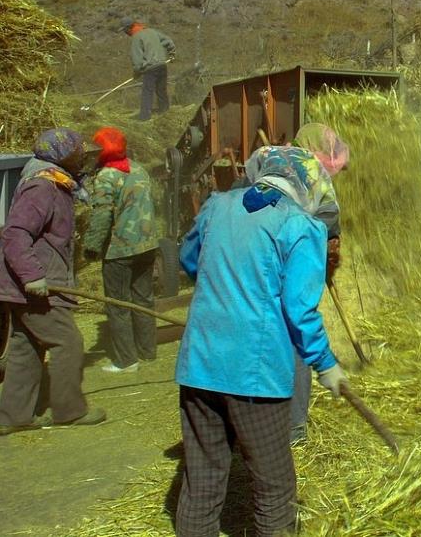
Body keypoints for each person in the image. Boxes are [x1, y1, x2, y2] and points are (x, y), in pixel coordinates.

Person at [175, 145, 347, 536]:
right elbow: (299, 311)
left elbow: (190, 261)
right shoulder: (303, 227)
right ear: (308, 184)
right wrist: (326, 364)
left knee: (201, 481)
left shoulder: (217, 206)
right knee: (274, 487)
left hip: (199, 366)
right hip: (256, 377)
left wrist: (226, 285)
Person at [0, 128, 106, 434]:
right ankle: (69, 411)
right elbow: (16, 234)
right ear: (61, 155)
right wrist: (33, 276)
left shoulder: (56, 183)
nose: (82, 154)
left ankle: (12, 416)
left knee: (26, 346)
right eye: (77, 149)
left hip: (23, 284)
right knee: (68, 341)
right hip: (33, 285)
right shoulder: (41, 188)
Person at [289, 123, 349, 444]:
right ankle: (295, 429)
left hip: (263, 268)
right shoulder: (319, 178)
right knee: (298, 340)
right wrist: (329, 263)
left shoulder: (274, 166)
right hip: (297, 268)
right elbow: (330, 238)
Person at [83, 127, 159, 373]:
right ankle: (147, 351)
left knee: (118, 305)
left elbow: (102, 216)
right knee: (144, 300)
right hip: (147, 244)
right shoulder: (138, 169)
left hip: (121, 249)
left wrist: (92, 247)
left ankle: (126, 361)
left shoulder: (106, 176)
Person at [119, 16, 176, 121]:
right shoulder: (152, 31)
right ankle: (165, 111)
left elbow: (137, 59)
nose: (124, 33)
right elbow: (168, 41)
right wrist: (172, 53)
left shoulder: (136, 37)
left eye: (124, 30)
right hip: (162, 65)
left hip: (150, 69)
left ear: (128, 28)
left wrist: (137, 72)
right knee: (161, 90)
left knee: (147, 92)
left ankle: (144, 117)